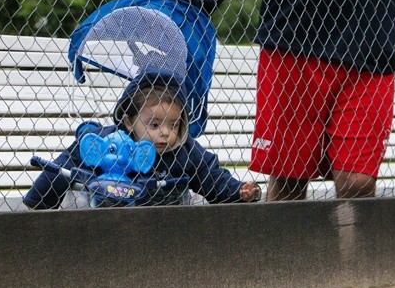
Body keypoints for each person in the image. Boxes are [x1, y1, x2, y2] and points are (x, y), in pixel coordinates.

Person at [178, 0, 395, 200]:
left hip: (373, 48)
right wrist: (186, 12)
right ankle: (283, 263)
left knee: (358, 182)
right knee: (289, 180)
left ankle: (353, 263)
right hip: (294, 36)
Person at [23, 71, 261, 209]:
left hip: (168, 228)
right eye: (155, 125)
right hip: (106, 224)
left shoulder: (184, 150)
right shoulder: (109, 142)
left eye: (174, 124)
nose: (166, 133)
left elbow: (211, 175)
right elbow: (66, 164)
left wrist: (237, 190)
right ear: (128, 122)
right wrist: (39, 201)